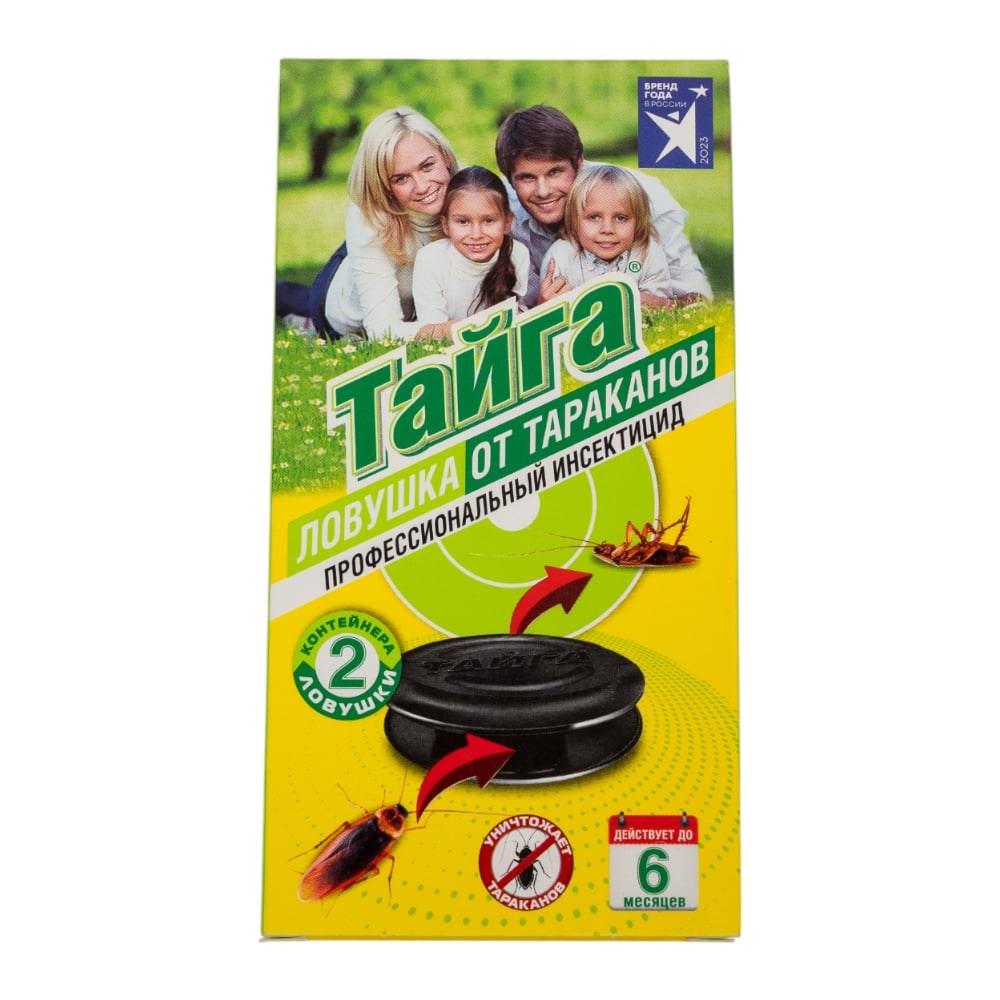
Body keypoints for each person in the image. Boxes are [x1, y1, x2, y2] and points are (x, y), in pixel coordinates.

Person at [494, 105, 712, 308]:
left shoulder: (644, 199)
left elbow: (699, 302)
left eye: (555, 172)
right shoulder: (499, 212)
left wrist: (642, 302)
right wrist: (543, 311)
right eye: (527, 178)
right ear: (510, 180)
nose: (543, 191)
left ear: (579, 163)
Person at [276, 107, 459, 340]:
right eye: (401, 178)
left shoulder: (470, 189)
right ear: (385, 186)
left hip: (398, 269)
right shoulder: (368, 221)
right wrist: (459, 329)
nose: (422, 186)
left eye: (427, 166)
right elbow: (382, 331)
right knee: (291, 297)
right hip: (340, 302)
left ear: (444, 156)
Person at [539, 164, 675, 307]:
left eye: (621, 218)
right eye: (594, 217)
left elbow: (662, 311)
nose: (607, 229)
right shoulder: (560, 256)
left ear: (638, 223)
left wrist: (648, 302)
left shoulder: (648, 253)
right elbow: (550, 309)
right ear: (573, 222)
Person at [412, 166, 530, 324]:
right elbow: (432, 329)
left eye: (488, 220)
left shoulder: (517, 253)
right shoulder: (431, 260)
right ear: (445, 225)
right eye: (463, 222)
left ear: (507, 222)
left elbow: (514, 316)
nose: (476, 235)